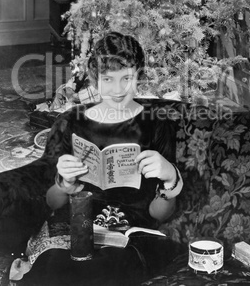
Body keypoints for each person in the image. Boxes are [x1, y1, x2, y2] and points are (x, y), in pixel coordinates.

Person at [19, 32, 184, 286]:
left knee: (108, 270)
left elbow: (159, 215)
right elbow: (51, 203)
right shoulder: (69, 122)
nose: (118, 90)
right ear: (95, 79)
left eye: (126, 79)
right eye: (108, 80)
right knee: (52, 268)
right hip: (73, 232)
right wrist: (64, 185)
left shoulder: (156, 125)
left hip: (128, 237)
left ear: (138, 75)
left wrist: (170, 178)